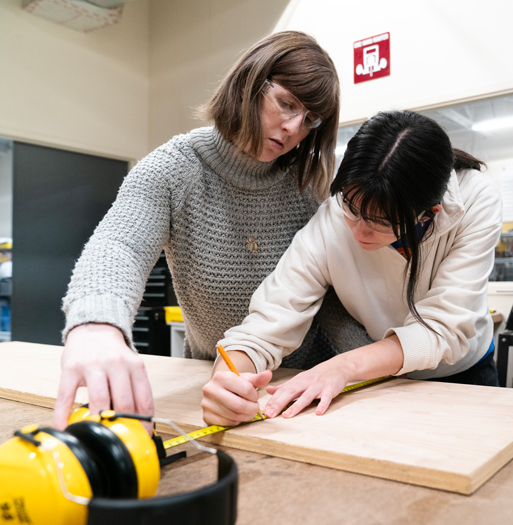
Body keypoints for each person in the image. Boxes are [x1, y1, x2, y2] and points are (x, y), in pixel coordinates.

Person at [54, 31, 372, 430]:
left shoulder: (309, 187)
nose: (293, 128)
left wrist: (374, 367)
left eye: (310, 120)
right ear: (249, 83)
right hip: (213, 382)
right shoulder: (173, 169)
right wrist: (97, 324)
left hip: (302, 384)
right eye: (286, 104)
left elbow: (328, 299)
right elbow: (121, 246)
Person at [201, 110, 503, 427]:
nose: (358, 231)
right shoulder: (334, 215)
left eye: (381, 222)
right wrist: (228, 378)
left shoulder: (476, 199)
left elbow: (444, 329)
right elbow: (273, 315)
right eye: (352, 208)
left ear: (430, 213)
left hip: (462, 374)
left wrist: (342, 367)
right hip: (379, 376)